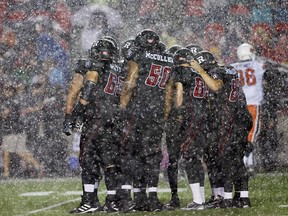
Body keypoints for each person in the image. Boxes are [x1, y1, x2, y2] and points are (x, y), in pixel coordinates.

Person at [69, 38, 126, 214]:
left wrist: (77, 110)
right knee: (111, 163)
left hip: (96, 118)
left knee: (88, 161)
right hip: (114, 119)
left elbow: (88, 86)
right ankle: (111, 201)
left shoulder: (93, 66)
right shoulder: (121, 69)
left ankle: (89, 201)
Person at [119, 29, 174, 212]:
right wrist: (164, 114)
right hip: (156, 112)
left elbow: (131, 83)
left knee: (130, 152)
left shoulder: (139, 55)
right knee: (151, 156)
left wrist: (121, 108)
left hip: (139, 109)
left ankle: (128, 198)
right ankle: (151, 197)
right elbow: (168, 92)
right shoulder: (167, 59)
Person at [193, 50, 253, 208]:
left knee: (225, 159)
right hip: (242, 116)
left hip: (230, 119)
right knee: (237, 159)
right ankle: (243, 198)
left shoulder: (216, 72)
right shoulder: (230, 69)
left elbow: (216, 86)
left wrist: (200, 70)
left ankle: (226, 199)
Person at [171, 48, 209, 211]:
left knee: (189, 155)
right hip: (203, 116)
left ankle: (198, 201)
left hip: (191, 115)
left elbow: (179, 95)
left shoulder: (182, 72)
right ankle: (201, 198)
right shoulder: (200, 73)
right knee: (196, 157)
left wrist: (177, 112)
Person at [230, 43, 265, 172]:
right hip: (253, 103)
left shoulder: (233, 67)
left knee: (240, 133)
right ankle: (245, 161)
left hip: (238, 104)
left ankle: (246, 162)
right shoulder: (259, 65)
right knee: (251, 134)